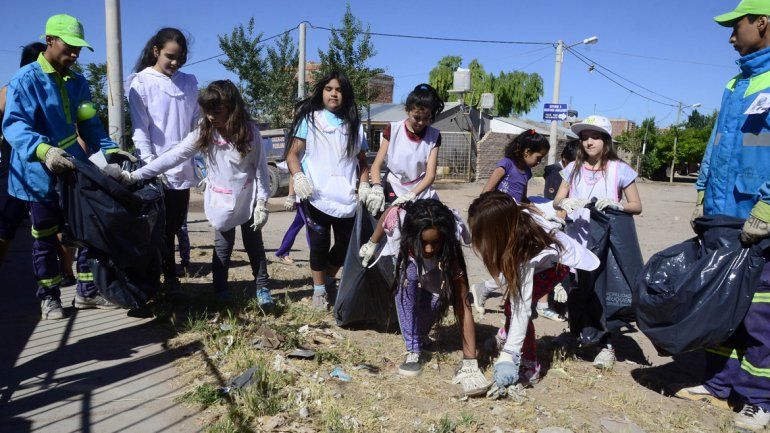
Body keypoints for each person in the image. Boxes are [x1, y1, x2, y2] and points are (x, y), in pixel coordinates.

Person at [677, 3, 770, 430]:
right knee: (720, 300)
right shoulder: (738, 82)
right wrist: (702, 193)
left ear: (762, 23)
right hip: (725, 213)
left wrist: (767, 205)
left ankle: (759, 399)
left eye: (737, 27)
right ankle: (718, 385)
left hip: (758, 214)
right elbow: (719, 143)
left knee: (759, 309)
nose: (731, 37)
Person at [3, 14, 133, 318]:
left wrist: (111, 150)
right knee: (45, 236)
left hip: (74, 169)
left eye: (78, 49)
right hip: (38, 173)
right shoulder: (25, 80)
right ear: (49, 41)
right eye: (69, 47)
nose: (74, 54)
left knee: (85, 230)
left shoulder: (77, 82)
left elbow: (88, 122)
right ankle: (49, 297)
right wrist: (44, 151)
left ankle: (87, 292)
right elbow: (15, 125)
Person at [125, 80, 272, 305]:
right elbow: (174, 156)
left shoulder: (249, 132)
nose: (211, 116)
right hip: (221, 197)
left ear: (232, 108)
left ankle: (262, 288)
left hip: (248, 196)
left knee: (254, 243)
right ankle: (220, 291)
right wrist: (137, 175)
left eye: (217, 111)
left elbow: (261, 168)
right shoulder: (205, 130)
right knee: (223, 246)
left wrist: (262, 202)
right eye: (208, 111)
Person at [467, 191, 598, 392]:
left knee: (514, 308)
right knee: (512, 304)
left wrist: (508, 355)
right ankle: (507, 332)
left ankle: (530, 365)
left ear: (498, 230)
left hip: (553, 266)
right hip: (543, 258)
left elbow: (522, 308)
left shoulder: (524, 251)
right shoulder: (511, 214)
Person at [358, 199, 490, 396]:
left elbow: (463, 305)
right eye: (424, 242)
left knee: (437, 298)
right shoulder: (401, 221)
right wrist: (372, 242)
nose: (428, 249)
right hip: (409, 260)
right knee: (408, 286)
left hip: (438, 265)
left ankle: (419, 334)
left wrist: (470, 361)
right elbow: (388, 213)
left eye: (434, 242)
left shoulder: (450, 239)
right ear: (413, 235)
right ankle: (413, 350)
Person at [552, 114, 642, 370]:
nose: (588, 142)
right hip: (576, 239)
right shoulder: (572, 169)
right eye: (583, 138)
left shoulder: (620, 169)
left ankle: (607, 345)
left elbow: (637, 206)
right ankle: (578, 335)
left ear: (605, 139)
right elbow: (558, 200)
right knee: (576, 291)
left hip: (606, 240)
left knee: (603, 293)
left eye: (594, 137)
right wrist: (564, 203)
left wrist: (618, 205)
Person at [285, 71, 370, 310]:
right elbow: (292, 154)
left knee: (345, 246)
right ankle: (319, 292)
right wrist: (298, 176)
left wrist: (365, 184)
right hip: (317, 194)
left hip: (346, 199)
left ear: (346, 95)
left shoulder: (354, 125)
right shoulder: (310, 120)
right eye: (329, 89)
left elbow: (362, 162)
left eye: (339, 90)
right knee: (319, 244)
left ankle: (328, 280)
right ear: (322, 91)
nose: (334, 94)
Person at [126, 28, 199, 294]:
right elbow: (140, 130)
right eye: (170, 56)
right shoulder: (141, 83)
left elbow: (196, 121)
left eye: (180, 58)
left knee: (176, 223)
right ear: (156, 51)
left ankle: (170, 277)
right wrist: (150, 167)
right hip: (155, 168)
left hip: (183, 166)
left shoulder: (189, 82)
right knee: (157, 229)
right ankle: (160, 279)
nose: (175, 63)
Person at [470, 130, 562, 320]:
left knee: (521, 262)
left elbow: (522, 197)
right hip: (501, 221)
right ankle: (492, 293)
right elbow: (486, 192)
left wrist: (535, 208)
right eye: (538, 157)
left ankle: (492, 292)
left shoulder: (527, 171)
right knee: (514, 263)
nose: (539, 162)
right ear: (527, 151)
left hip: (516, 220)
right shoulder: (506, 165)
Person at [365, 84, 444, 214]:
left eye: (426, 118)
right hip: (394, 186)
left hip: (420, 191)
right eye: (417, 118)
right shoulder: (393, 129)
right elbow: (377, 164)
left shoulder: (434, 136)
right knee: (390, 221)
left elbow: (430, 175)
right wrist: (377, 187)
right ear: (407, 110)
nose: (421, 123)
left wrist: (411, 194)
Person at [0, 43, 45, 267]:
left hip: (44, 167)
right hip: (20, 167)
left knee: (51, 224)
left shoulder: (49, 85)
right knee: (10, 219)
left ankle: (67, 271)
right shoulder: (13, 88)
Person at [274, 176, 308, 264]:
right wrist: (291, 195)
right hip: (305, 197)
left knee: (297, 225)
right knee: (312, 228)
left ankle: (283, 252)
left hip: (318, 199)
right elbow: (293, 175)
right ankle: (320, 258)